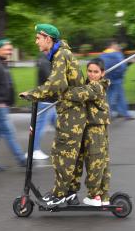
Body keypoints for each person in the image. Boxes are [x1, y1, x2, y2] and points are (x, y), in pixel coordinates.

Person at [20, 23, 86, 207]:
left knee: (62, 153)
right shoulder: (59, 54)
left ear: (48, 39)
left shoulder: (60, 55)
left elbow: (56, 83)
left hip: (72, 113)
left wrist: (32, 93)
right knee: (68, 153)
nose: (36, 42)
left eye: (38, 38)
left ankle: (60, 194)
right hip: (71, 111)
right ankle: (70, 193)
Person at [64, 58, 111, 206]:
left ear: (102, 73)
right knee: (96, 161)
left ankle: (94, 195)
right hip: (87, 128)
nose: (91, 74)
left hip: (95, 129)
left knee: (95, 162)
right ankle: (103, 197)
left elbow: (78, 94)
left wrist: (61, 91)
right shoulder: (89, 84)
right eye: (89, 71)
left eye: (96, 72)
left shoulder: (97, 87)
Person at [0, 38, 26, 170]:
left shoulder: (2, 63)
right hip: (0, 106)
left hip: (2, 105)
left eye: (10, 48)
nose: (9, 50)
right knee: (9, 132)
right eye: (6, 48)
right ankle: (22, 159)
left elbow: (6, 84)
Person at [99, 41, 135, 120]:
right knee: (120, 97)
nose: (118, 46)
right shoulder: (117, 54)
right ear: (112, 45)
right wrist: (128, 64)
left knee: (108, 97)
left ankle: (110, 114)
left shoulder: (102, 55)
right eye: (116, 45)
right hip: (117, 79)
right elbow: (122, 66)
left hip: (106, 79)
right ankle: (125, 114)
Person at [31, 53, 57, 160]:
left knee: (58, 123)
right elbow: (51, 80)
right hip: (45, 100)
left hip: (49, 100)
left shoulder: (44, 59)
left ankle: (69, 144)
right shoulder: (46, 62)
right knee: (39, 127)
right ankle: (34, 150)